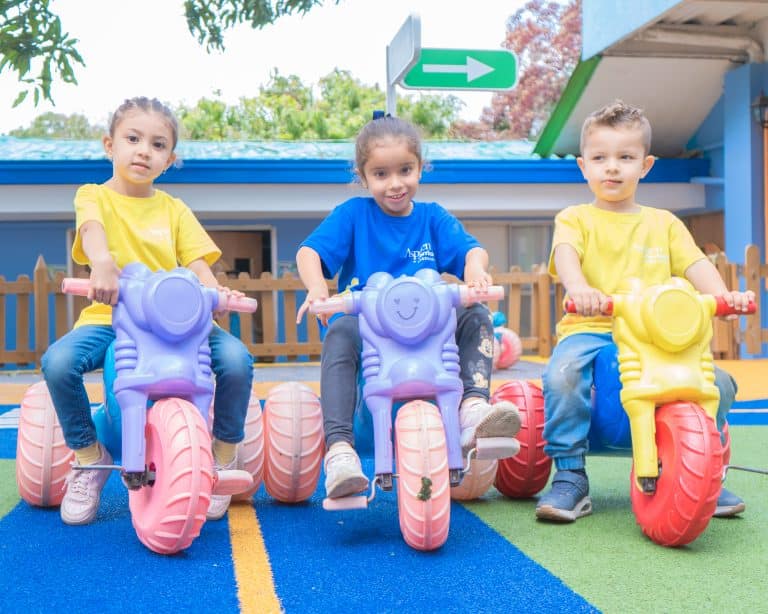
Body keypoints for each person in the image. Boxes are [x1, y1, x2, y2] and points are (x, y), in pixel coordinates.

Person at [537, 100, 754, 522]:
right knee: (563, 375)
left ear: (646, 165)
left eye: (625, 157)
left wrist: (724, 298)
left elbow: (695, 264)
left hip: (657, 335)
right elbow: (566, 256)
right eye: (600, 158)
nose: (612, 168)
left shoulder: (664, 223)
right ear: (583, 166)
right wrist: (580, 289)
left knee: (719, 383)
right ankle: (570, 472)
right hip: (593, 326)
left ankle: (702, 469)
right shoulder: (575, 219)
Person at [41, 97, 254, 525]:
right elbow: (92, 230)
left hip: (178, 320)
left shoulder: (174, 209)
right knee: (59, 362)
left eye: (157, 145)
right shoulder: (94, 196)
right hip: (113, 317)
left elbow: (198, 264)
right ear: (110, 145)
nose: (143, 151)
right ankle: (89, 456)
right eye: (133, 139)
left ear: (169, 159)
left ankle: (222, 453)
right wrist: (102, 263)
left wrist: (215, 294)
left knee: (237, 360)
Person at [295, 113, 521, 499]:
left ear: (420, 167)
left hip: (430, 329)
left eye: (405, 170)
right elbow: (309, 252)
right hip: (371, 327)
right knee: (340, 331)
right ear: (363, 177)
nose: (395, 183)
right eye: (381, 174)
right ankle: (340, 448)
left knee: (476, 314)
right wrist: (317, 288)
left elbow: (471, 250)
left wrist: (475, 271)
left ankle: (472, 407)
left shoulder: (432, 218)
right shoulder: (354, 215)